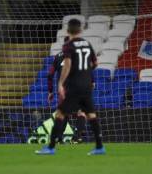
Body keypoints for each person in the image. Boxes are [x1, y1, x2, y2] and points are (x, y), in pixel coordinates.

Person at [35, 18, 105, 155]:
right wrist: (86, 72)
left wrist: (60, 83)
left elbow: (67, 66)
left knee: (60, 114)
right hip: (86, 86)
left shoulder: (68, 46)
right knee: (90, 114)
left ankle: (50, 147)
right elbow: (95, 63)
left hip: (74, 86)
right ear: (81, 30)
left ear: (68, 30)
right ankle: (99, 147)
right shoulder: (87, 44)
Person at [47, 37, 87, 144]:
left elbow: (50, 75)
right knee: (81, 112)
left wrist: (50, 91)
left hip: (63, 90)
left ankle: (58, 138)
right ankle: (77, 137)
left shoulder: (58, 56)